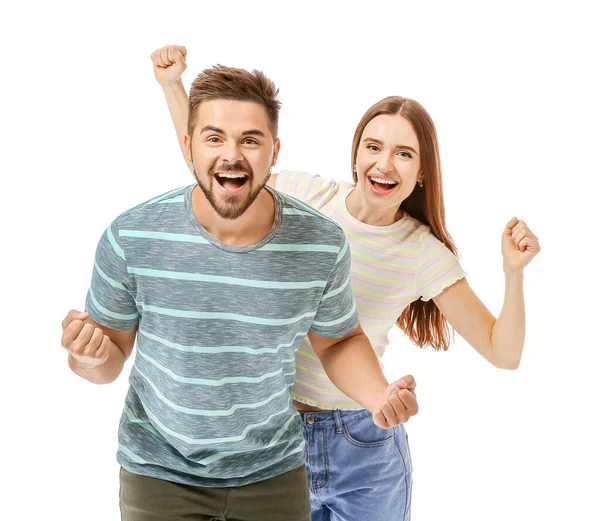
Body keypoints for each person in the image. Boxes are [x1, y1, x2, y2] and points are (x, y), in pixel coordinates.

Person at [153, 44, 541, 521]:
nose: (384, 164)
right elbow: (214, 174)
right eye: (373, 147)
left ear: (421, 174)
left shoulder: (422, 253)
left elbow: (504, 354)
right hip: (276, 438)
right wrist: (173, 86)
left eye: (403, 154)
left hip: (366, 443)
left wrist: (513, 274)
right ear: (356, 153)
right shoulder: (303, 196)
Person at [60, 64, 419, 521]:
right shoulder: (132, 237)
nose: (232, 155)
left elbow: (338, 342)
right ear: (188, 146)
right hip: (160, 471)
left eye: (250, 140)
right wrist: (88, 358)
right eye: (214, 138)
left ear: (274, 152)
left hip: (273, 471)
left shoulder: (321, 245)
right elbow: (108, 360)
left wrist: (376, 396)